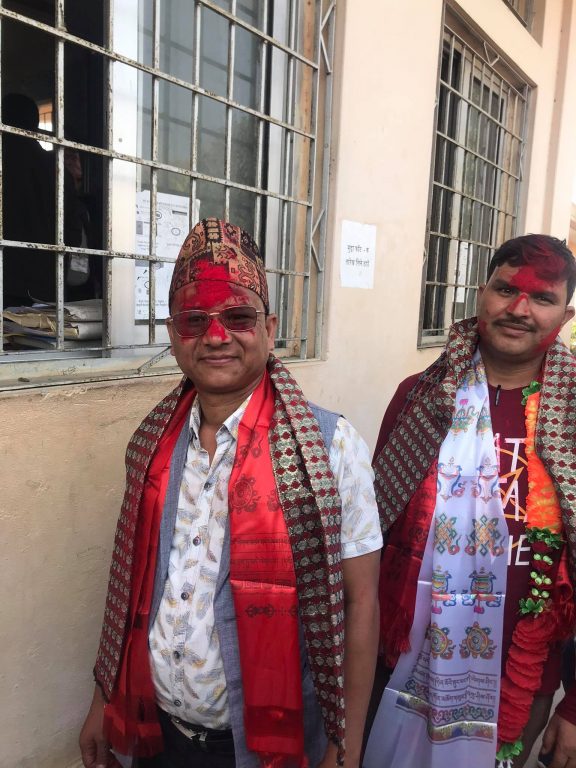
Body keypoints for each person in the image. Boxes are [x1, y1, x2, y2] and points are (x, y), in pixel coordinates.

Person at [79, 217, 382, 768]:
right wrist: (104, 697)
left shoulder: (331, 448)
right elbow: (130, 587)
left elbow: (361, 603)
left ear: (269, 328)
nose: (216, 337)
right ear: (173, 335)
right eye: (194, 320)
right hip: (160, 733)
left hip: (267, 746)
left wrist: (347, 746)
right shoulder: (152, 446)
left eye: (238, 317)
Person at [364, 234, 576, 768]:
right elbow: (371, 533)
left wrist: (575, 707)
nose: (519, 309)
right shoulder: (420, 398)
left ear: (566, 315)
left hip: (520, 677)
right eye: (506, 289)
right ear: (481, 295)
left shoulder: (571, 416)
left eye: (542, 298)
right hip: (400, 663)